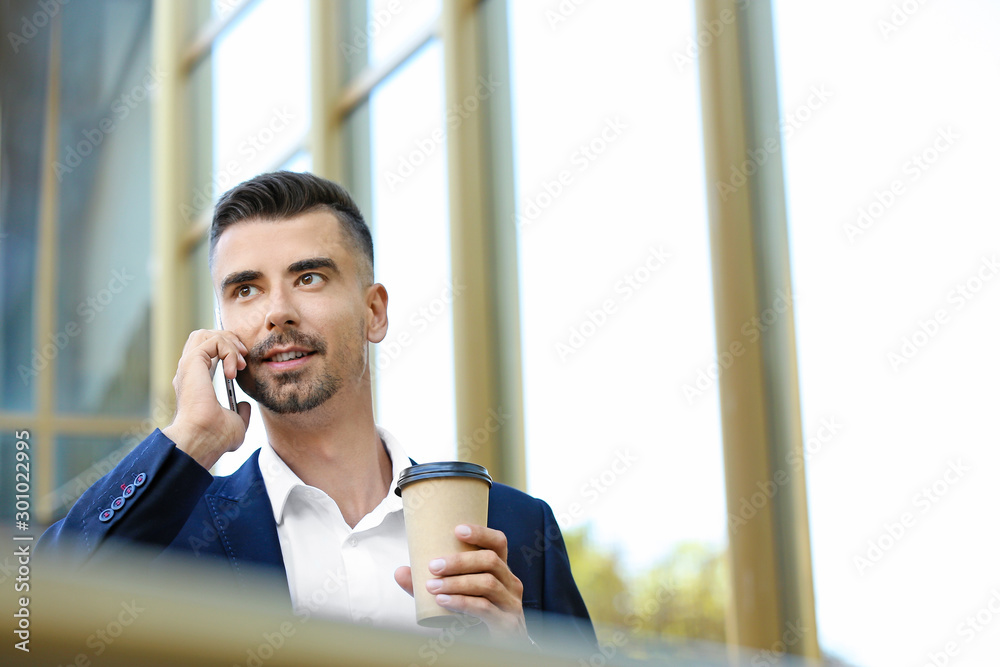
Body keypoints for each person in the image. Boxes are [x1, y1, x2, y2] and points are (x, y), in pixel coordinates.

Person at [38, 171, 594, 646]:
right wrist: (191, 439)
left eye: (309, 278)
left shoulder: (517, 531)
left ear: (374, 312)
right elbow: (32, 613)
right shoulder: (173, 538)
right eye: (246, 291)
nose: (277, 312)